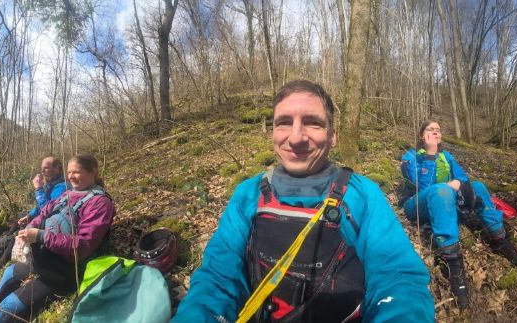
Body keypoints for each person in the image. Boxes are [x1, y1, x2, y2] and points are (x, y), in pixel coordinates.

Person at [172, 80, 433, 322]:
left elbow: (398, 280)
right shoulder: (248, 195)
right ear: (273, 133)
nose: (296, 137)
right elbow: (217, 279)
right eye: (284, 123)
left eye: (312, 123)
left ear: (333, 136)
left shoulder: (362, 194)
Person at [0, 154, 114, 323]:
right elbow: (44, 211)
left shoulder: (99, 203)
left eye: (76, 172)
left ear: (93, 172)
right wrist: (29, 227)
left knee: (9, 305)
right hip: (44, 258)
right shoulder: (69, 194)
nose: (71, 176)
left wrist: (41, 236)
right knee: (9, 272)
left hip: (65, 271)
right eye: (69, 172)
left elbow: (83, 245)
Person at [400, 121, 517, 308]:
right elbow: (422, 186)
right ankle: (452, 262)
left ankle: (499, 239)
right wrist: (430, 154)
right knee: (441, 191)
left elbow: (463, 177)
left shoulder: (446, 156)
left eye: (438, 130)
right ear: (421, 135)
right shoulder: (410, 157)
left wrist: (458, 183)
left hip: (445, 198)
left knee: (478, 186)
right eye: (430, 130)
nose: (435, 132)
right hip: (417, 203)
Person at [21, 157, 69, 225]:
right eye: (42, 168)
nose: (42, 171)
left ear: (57, 169)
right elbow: (39, 206)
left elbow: (49, 211)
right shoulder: (49, 185)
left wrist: (39, 189)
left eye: (46, 168)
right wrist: (30, 215)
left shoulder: (63, 187)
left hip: (53, 225)